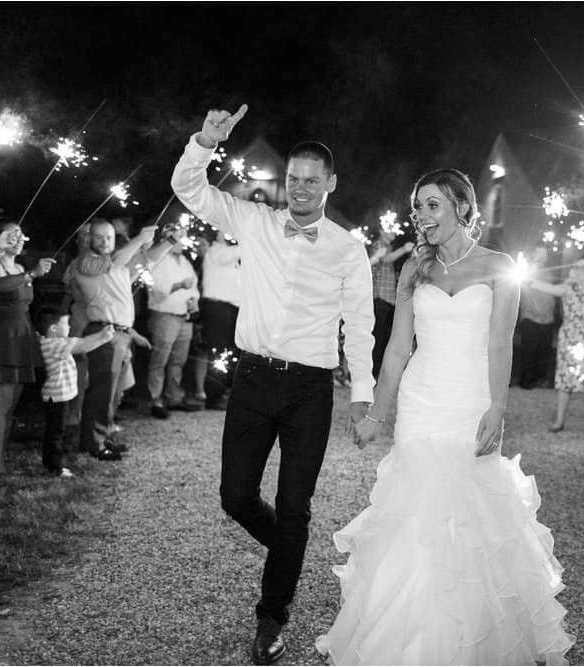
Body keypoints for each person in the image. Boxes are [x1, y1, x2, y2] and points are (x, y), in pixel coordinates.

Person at [316, 168, 574, 665]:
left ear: (461, 205)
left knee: (471, 517)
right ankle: (409, 642)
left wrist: (497, 406)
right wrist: (377, 413)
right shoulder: (415, 269)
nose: (422, 216)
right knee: (417, 514)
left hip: (470, 400)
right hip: (421, 400)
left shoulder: (500, 266)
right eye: (418, 207)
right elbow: (396, 350)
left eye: (432, 205)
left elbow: (500, 344)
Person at [171, 104, 375, 666]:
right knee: (235, 497)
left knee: (294, 508)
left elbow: (360, 324)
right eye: (294, 179)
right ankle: (288, 552)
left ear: (330, 184)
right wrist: (204, 142)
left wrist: (362, 397)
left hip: (310, 389)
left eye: (313, 180)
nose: (301, 188)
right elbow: (189, 189)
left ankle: (272, 617)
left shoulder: (346, 248)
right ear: (285, 182)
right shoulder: (253, 220)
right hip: (253, 378)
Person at [0, 219, 55, 474]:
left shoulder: (17, 265)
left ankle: (0, 459)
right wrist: (33, 274)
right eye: (12, 234)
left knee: (11, 405)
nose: (18, 239)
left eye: (20, 234)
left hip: (20, 337)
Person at [72, 218, 161, 461]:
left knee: (111, 392)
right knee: (101, 390)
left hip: (120, 334)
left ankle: (103, 437)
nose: (105, 241)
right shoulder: (84, 263)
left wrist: (171, 240)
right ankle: (93, 443)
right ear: (89, 238)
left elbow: (147, 260)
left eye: (109, 237)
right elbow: (118, 259)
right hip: (103, 334)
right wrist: (140, 239)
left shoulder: (117, 267)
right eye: (99, 236)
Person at [525, 255, 584, 432]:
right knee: (565, 379)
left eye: (583, 267)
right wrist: (528, 280)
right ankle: (559, 421)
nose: (579, 271)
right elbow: (546, 287)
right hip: (569, 337)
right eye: (576, 267)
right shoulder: (567, 288)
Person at [35, 307, 114, 478]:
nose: (70, 327)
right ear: (53, 329)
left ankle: (52, 463)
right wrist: (102, 336)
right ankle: (54, 467)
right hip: (55, 398)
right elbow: (81, 345)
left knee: (56, 431)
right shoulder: (53, 345)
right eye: (66, 324)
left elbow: (82, 344)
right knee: (55, 433)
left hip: (58, 396)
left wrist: (102, 337)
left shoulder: (54, 343)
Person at [145, 222, 203, 418]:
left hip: (184, 317)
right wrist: (179, 285)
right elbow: (157, 289)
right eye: (178, 238)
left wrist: (194, 300)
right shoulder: (158, 260)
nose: (182, 242)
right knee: (159, 360)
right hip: (165, 316)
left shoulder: (185, 261)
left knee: (178, 360)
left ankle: (173, 397)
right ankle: (155, 399)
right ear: (166, 240)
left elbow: (193, 286)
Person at [198, 230, 242, 409]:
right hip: (217, 308)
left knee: (230, 353)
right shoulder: (215, 252)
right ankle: (213, 396)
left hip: (231, 309)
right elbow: (241, 250)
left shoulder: (231, 258)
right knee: (219, 352)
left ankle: (224, 391)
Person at [368, 225, 414, 378]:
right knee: (378, 337)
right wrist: (404, 249)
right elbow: (385, 259)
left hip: (388, 300)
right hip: (379, 298)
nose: (394, 231)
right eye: (390, 228)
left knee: (385, 338)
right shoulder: (379, 245)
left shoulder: (387, 246)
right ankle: (374, 373)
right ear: (382, 231)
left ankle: (379, 371)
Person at [516, 243, 557, 389]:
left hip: (548, 318)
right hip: (530, 316)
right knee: (529, 351)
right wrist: (534, 265)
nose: (542, 257)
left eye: (544, 254)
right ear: (532, 254)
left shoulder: (549, 271)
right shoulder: (526, 269)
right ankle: (526, 381)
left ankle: (540, 379)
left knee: (544, 351)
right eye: (539, 253)